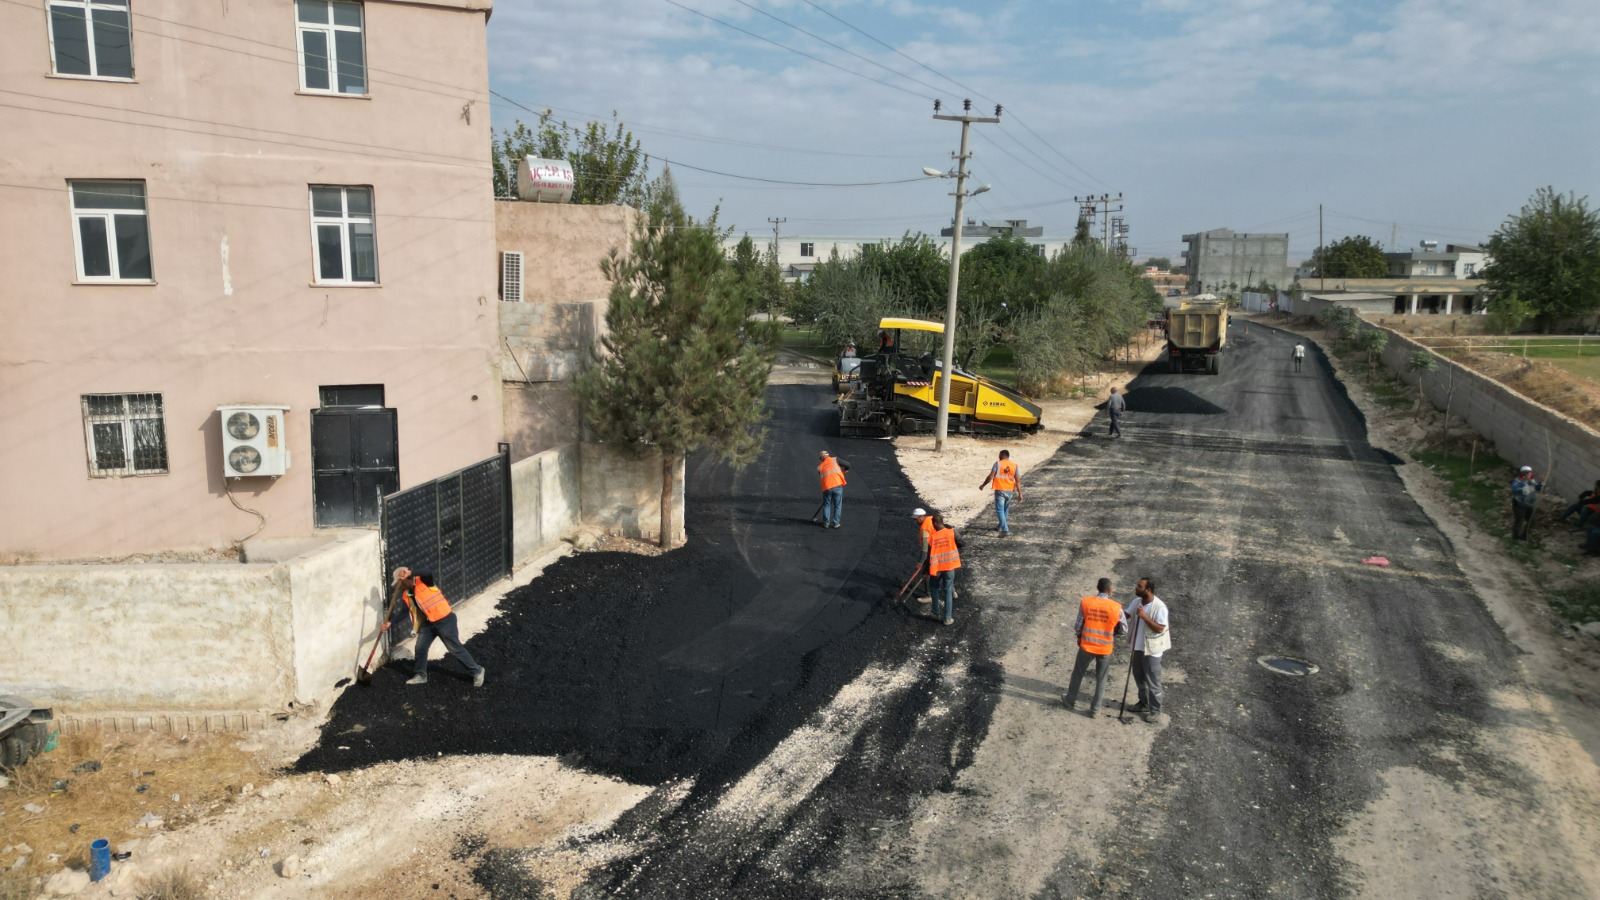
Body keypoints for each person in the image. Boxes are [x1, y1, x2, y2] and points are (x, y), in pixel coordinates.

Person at [383, 567, 485, 688]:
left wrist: (411, 572)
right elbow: (404, 612)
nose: (398, 587)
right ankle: (421, 675)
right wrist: (391, 623)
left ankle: (477, 671)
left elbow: (429, 572)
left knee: (454, 648)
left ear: (405, 578)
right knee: (420, 648)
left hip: (445, 620)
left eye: (399, 583)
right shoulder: (407, 594)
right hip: (428, 624)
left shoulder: (424, 581)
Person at [1063, 578, 1127, 717]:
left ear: (1097, 588)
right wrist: (1111, 633)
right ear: (1109, 590)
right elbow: (1123, 630)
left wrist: (1080, 637)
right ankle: (1095, 710)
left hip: (1086, 646)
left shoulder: (1086, 602)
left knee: (1078, 673)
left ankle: (1070, 700)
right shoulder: (1116, 607)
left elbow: (1078, 625)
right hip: (1105, 648)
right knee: (1101, 679)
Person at [1124, 578, 1170, 723]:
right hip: (1137, 648)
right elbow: (1126, 615)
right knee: (1139, 677)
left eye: (1139, 586)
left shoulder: (1159, 607)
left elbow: (1160, 628)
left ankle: (1155, 710)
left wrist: (1144, 617)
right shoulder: (1136, 602)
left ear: (1148, 590)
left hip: (1152, 651)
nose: (1136, 588)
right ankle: (1143, 703)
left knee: (1153, 682)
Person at [926, 513, 963, 626]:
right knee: (948, 591)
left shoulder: (932, 538)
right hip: (949, 567)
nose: (932, 526)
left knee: (933, 587)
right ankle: (947, 618)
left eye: (933, 524)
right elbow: (962, 542)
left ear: (936, 523)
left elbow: (929, 556)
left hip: (936, 568)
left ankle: (935, 612)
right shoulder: (952, 532)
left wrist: (925, 571)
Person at [978, 450, 1022, 536]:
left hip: (1000, 490)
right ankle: (1000, 526)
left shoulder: (997, 464)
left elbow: (990, 476)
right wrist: (1020, 494)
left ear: (1002, 455)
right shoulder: (1014, 465)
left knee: (1000, 510)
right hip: (1010, 491)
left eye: (999, 455)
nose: (998, 456)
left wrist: (983, 485)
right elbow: (1018, 481)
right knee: (1005, 509)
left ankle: (1005, 529)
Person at [1510, 465, 1544, 540]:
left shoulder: (1531, 480)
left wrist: (1541, 483)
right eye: (1529, 473)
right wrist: (1524, 482)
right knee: (1519, 522)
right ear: (1524, 474)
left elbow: (1537, 487)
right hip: (1519, 505)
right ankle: (1515, 538)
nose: (1530, 474)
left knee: (1532, 521)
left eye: (1530, 473)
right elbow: (1514, 489)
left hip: (1529, 505)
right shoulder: (1517, 481)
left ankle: (1524, 536)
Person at [818, 450, 847, 529]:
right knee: (837, 505)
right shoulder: (835, 460)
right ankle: (836, 523)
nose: (820, 459)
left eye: (820, 458)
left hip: (827, 488)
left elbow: (823, 476)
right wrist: (846, 470)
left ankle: (826, 523)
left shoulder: (820, 467)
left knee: (827, 505)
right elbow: (848, 464)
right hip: (837, 485)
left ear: (822, 457)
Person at [913, 507, 936, 604]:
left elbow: (925, 549)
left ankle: (929, 596)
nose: (915, 521)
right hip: (943, 549)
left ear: (921, 517)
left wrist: (920, 562)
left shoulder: (924, 529)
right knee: (945, 571)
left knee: (925, 574)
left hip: (933, 552)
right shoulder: (933, 520)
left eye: (916, 518)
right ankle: (952, 592)